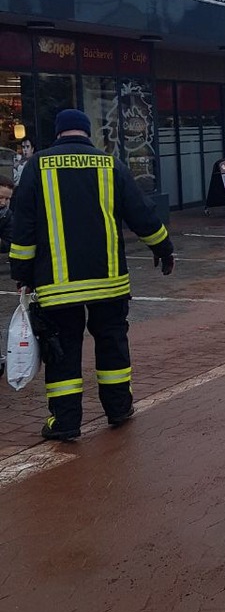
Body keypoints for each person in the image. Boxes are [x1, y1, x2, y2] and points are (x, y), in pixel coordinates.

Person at [7, 108, 175, 442]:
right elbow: (141, 213)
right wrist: (163, 249)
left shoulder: (37, 166)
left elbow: (22, 228)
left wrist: (22, 274)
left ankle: (66, 422)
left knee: (63, 350)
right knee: (112, 343)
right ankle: (118, 408)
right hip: (109, 281)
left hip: (58, 286)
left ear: (58, 134)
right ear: (87, 133)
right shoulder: (110, 163)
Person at [0, 174, 13, 255]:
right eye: (0, 197)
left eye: (7, 199)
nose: (3, 203)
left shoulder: (8, 217)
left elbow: (8, 243)